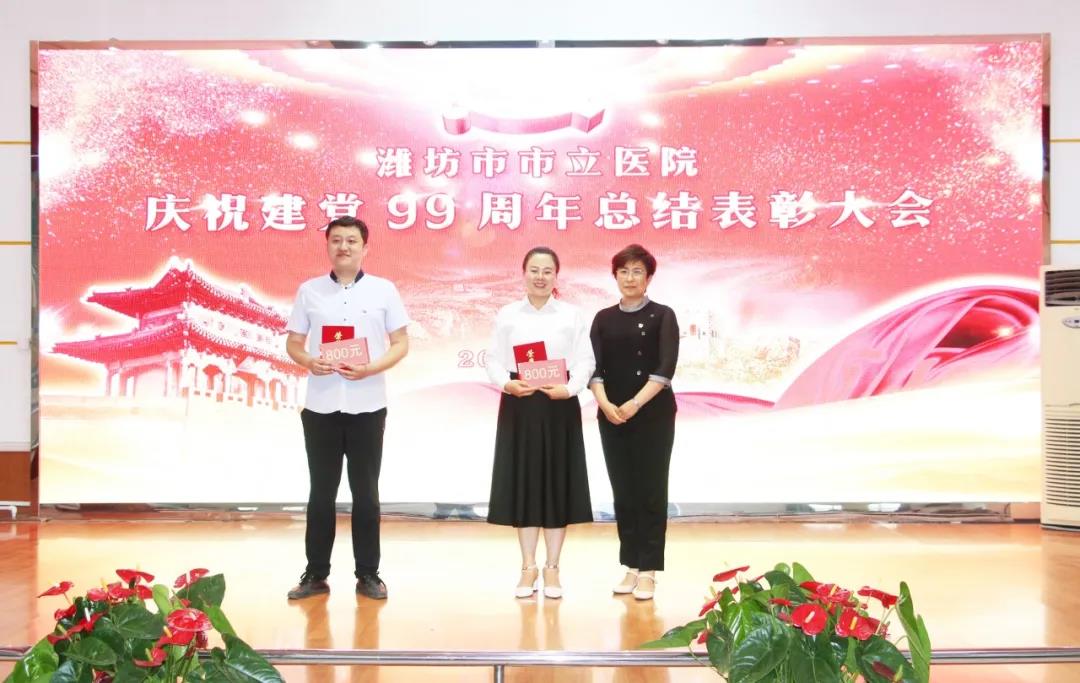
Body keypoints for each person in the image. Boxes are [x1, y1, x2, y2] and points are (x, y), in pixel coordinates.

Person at [284, 216, 410, 600]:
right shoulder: (309, 291)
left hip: (367, 405)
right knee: (321, 493)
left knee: (366, 493)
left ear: (364, 247)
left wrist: (371, 367)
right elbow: (293, 343)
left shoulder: (384, 290)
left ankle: (368, 574)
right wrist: (309, 361)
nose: (344, 247)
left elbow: (401, 343)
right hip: (321, 406)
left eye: (351, 241)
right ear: (327, 246)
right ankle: (315, 574)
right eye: (336, 240)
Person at [485, 246, 595, 599]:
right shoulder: (507, 314)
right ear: (524, 273)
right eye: (534, 270)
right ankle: (528, 567)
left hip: (559, 405)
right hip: (520, 404)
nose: (540, 277)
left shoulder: (571, 315)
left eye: (547, 271)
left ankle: (553, 568)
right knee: (526, 484)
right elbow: (493, 359)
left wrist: (569, 389)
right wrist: (506, 384)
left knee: (557, 486)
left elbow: (585, 361)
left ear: (556, 276)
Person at [589, 244, 679, 601]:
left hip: (652, 414)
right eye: (623, 271)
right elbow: (593, 368)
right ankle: (630, 565)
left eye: (637, 271)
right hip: (612, 415)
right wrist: (606, 404)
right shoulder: (603, 318)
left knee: (651, 491)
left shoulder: (663, 315)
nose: (630, 278)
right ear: (615, 276)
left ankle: (649, 570)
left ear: (649, 277)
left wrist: (634, 404)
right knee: (624, 492)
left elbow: (665, 368)